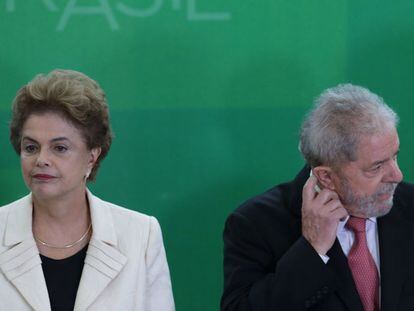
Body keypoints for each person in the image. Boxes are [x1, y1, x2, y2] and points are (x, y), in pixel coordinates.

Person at [221, 84, 414, 311]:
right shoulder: (255, 224)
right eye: (377, 166)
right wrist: (312, 249)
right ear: (326, 177)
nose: (396, 175)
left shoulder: (409, 205)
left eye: (395, 157)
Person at [0, 69, 175, 311]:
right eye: (31, 147)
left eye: (59, 148)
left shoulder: (140, 236)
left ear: (92, 157)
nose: (41, 159)